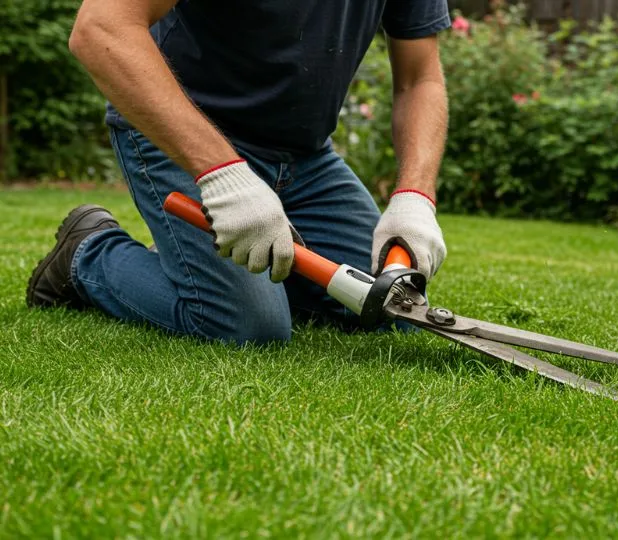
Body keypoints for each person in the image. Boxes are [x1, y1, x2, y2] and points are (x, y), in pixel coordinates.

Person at [26, 0, 450, 343]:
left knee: (389, 305)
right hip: (186, 137)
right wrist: (223, 174)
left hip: (304, 158)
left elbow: (420, 80)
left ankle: (199, 261)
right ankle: (87, 253)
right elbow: (102, 29)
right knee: (249, 326)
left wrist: (414, 198)